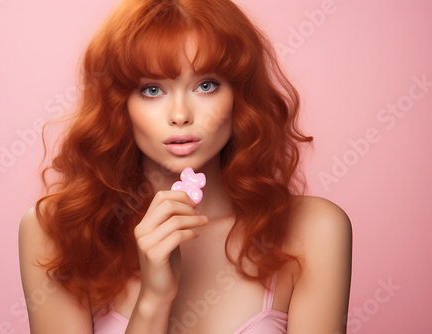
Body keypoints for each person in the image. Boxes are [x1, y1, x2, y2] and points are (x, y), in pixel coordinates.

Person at [18, 0, 352, 333]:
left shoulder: (314, 231)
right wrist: (154, 301)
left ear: (240, 95)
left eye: (206, 85)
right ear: (118, 104)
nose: (181, 115)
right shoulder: (58, 233)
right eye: (152, 89)